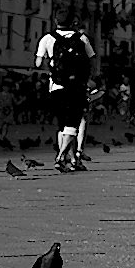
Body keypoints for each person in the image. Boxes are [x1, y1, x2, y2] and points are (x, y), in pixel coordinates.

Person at [35, 12, 95, 173]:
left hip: (56, 87)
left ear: (55, 22)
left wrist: (52, 70)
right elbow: (92, 60)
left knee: (62, 126)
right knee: (73, 125)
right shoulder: (82, 38)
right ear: (73, 22)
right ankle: (61, 157)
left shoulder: (47, 38)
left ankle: (72, 160)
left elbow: (39, 62)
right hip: (77, 87)